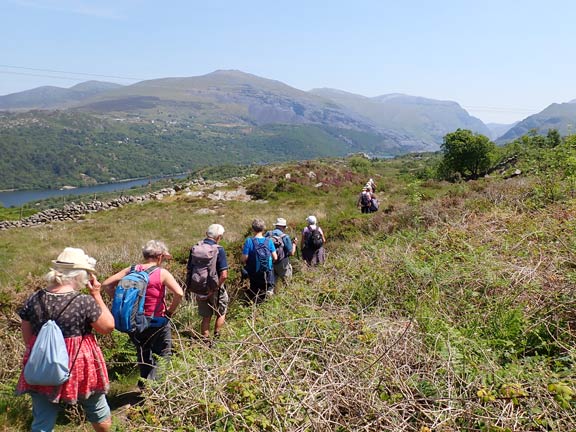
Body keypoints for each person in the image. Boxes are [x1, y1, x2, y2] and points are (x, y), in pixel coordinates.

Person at [16, 247, 114, 432]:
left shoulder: (34, 299)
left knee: (42, 422)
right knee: (98, 412)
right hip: (79, 365)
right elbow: (107, 327)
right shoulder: (83, 301)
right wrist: (97, 294)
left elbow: (28, 338)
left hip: (42, 366)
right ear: (80, 275)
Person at [102, 240, 183, 386]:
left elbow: (106, 285)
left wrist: (125, 302)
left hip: (134, 320)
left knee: (144, 353)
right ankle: (151, 388)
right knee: (164, 355)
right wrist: (170, 312)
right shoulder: (161, 273)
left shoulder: (131, 270)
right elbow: (179, 293)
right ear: (159, 256)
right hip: (157, 320)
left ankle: (143, 385)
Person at [186, 224, 229, 344]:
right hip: (214, 288)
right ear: (219, 236)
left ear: (206, 233)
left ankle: (205, 342)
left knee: (206, 317)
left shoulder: (195, 247)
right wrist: (214, 289)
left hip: (198, 287)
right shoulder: (219, 249)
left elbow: (189, 269)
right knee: (221, 312)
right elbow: (224, 275)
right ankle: (217, 340)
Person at [241, 218, 278, 303]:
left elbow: (244, 258)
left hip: (254, 274)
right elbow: (275, 257)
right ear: (263, 229)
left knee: (255, 295)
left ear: (253, 229)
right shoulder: (269, 241)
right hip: (267, 273)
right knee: (267, 294)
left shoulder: (249, 241)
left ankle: (255, 310)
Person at [266, 217, 297, 289]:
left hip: (270, 262)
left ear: (276, 225)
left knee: (271, 284)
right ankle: (287, 297)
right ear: (284, 227)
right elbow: (291, 253)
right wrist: (294, 244)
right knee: (287, 282)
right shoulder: (285, 237)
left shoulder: (268, 234)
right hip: (282, 262)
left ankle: (269, 297)